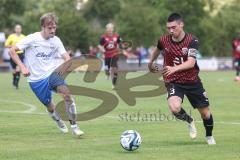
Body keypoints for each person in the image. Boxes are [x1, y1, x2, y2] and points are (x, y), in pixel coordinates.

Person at [9, 12, 84, 136]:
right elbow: (12, 51)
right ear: (43, 27)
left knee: (67, 96)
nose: (53, 30)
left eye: (54, 27)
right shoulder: (32, 38)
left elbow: (66, 57)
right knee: (50, 107)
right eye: (50, 28)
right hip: (36, 80)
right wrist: (22, 67)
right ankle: (58, 120)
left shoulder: (56, 41)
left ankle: (75, 127)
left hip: (52, 75)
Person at [148, 13, 216, 145]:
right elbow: (157, 49)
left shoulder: (192, 41)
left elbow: (191, 63)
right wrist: (151, 62)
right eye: (168, 28)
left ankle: (209, 136)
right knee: (174, 107)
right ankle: (189, 120)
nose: (171, 30)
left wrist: (174, 68)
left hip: (192, 81)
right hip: (173, 80)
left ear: (181, 24)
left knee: (206, 114)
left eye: (174, 27)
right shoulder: (164, 40)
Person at [98, 23, 121, 89]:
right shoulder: (103, 37)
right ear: (106, 29)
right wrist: (102, 49)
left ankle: (114, 84)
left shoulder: (117, 36)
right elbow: (99, 45)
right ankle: (107, 74)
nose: (110, 29)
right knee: (107, 70)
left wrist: (120, 48)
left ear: (113, 29)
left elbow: (120, 43)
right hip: (107, 55)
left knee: (115, 69)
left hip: (114, 55)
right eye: (108, 28)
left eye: (111, 28)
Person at [5, 24, 25, 89]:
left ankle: (16, 84)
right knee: (14, 71)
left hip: (20, 54)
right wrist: (14, 46)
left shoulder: (24, 37)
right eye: (17, 28)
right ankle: (14, 81)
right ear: (15, 29)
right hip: (13, 54)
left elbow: (26, 46)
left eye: (19, 28)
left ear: (21, 29)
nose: (18, 30)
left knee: (18, 69)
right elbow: (6, 45)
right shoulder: (11, 36)